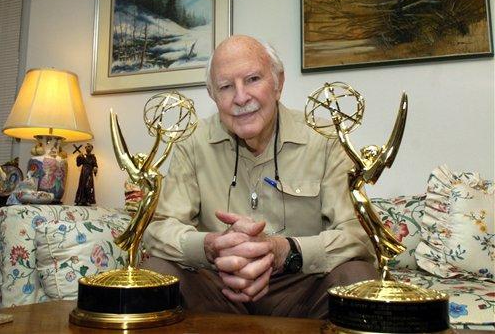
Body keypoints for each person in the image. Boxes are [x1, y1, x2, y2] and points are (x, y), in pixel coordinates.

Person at [142, 35, 376, 319]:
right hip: (218, 286)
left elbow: (358, 235)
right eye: (226, 87)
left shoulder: (325, 139)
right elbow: (160, 229)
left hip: (300, 286)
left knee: (357, 276)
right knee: (157, 272)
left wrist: (283, 251)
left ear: (278, 83)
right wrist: (210, 247)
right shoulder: (190, 142)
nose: (241, 98)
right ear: (212, 95)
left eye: (253, 79)